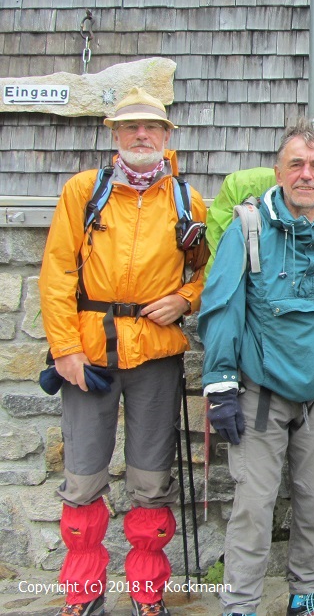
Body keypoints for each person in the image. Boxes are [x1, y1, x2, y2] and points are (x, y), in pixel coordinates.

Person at [198, 119, 314, 616]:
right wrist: (219, 385)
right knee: (254, 508)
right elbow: (222, 308)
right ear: (278, 171)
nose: (306, 174)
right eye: (296, 164)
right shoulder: (248, 227)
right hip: (260, 396)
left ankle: (308, 595)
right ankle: (240, 603)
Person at [38, 88, 208, 616]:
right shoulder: (84, 192)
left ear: (165, 137)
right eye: (131, 127)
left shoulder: (187, 200)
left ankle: (146, 590)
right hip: (89, 354)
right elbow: (58, 271)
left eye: (150, 128)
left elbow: (205, 271)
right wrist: (64, 348)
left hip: (155, 353)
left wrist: (184, 299)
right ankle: (83, 593)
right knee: (84, 477)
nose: (141, 136)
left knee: (150, 482)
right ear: (115, 134)